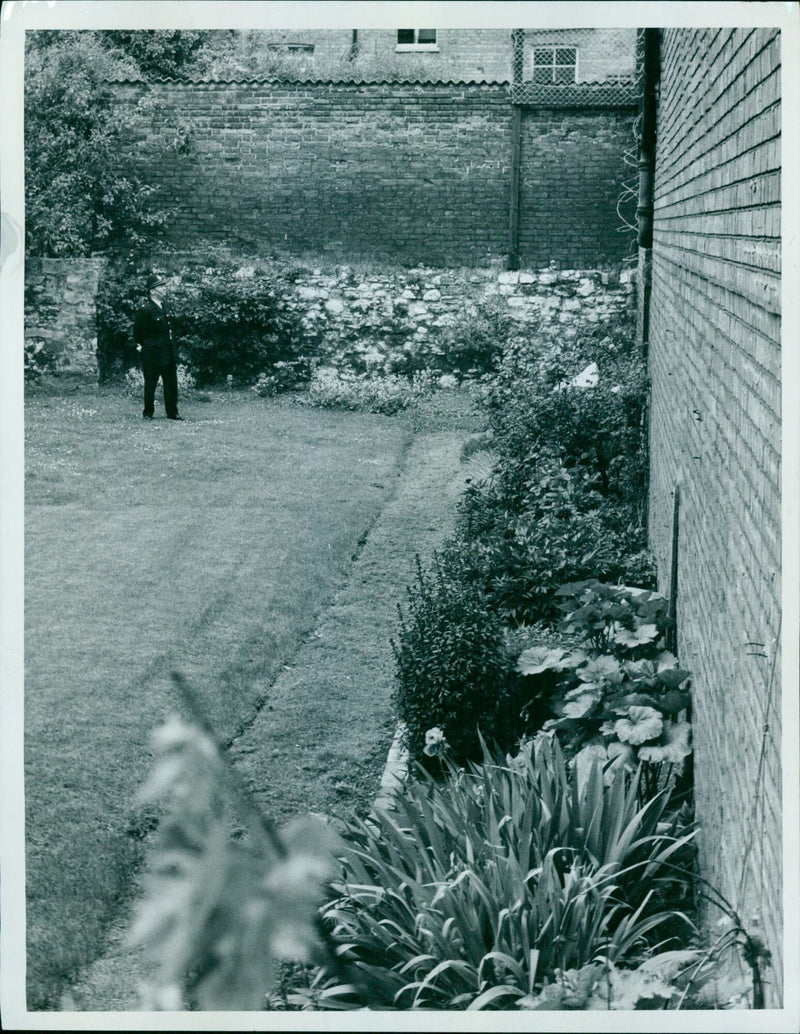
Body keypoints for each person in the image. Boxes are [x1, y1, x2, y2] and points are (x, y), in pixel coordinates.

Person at [133, 273, 183, 420]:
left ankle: (172, 412)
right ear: (152, 290)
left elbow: (172, 329)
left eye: (164, 286)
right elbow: (138, 333)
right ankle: (148, 413)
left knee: (171, 384)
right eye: (160, 286)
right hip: (152, 354)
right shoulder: (146, 310)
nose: (164, 288)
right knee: (150, 384)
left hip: (168, 352)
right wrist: (147, 346)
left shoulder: (166, 307)